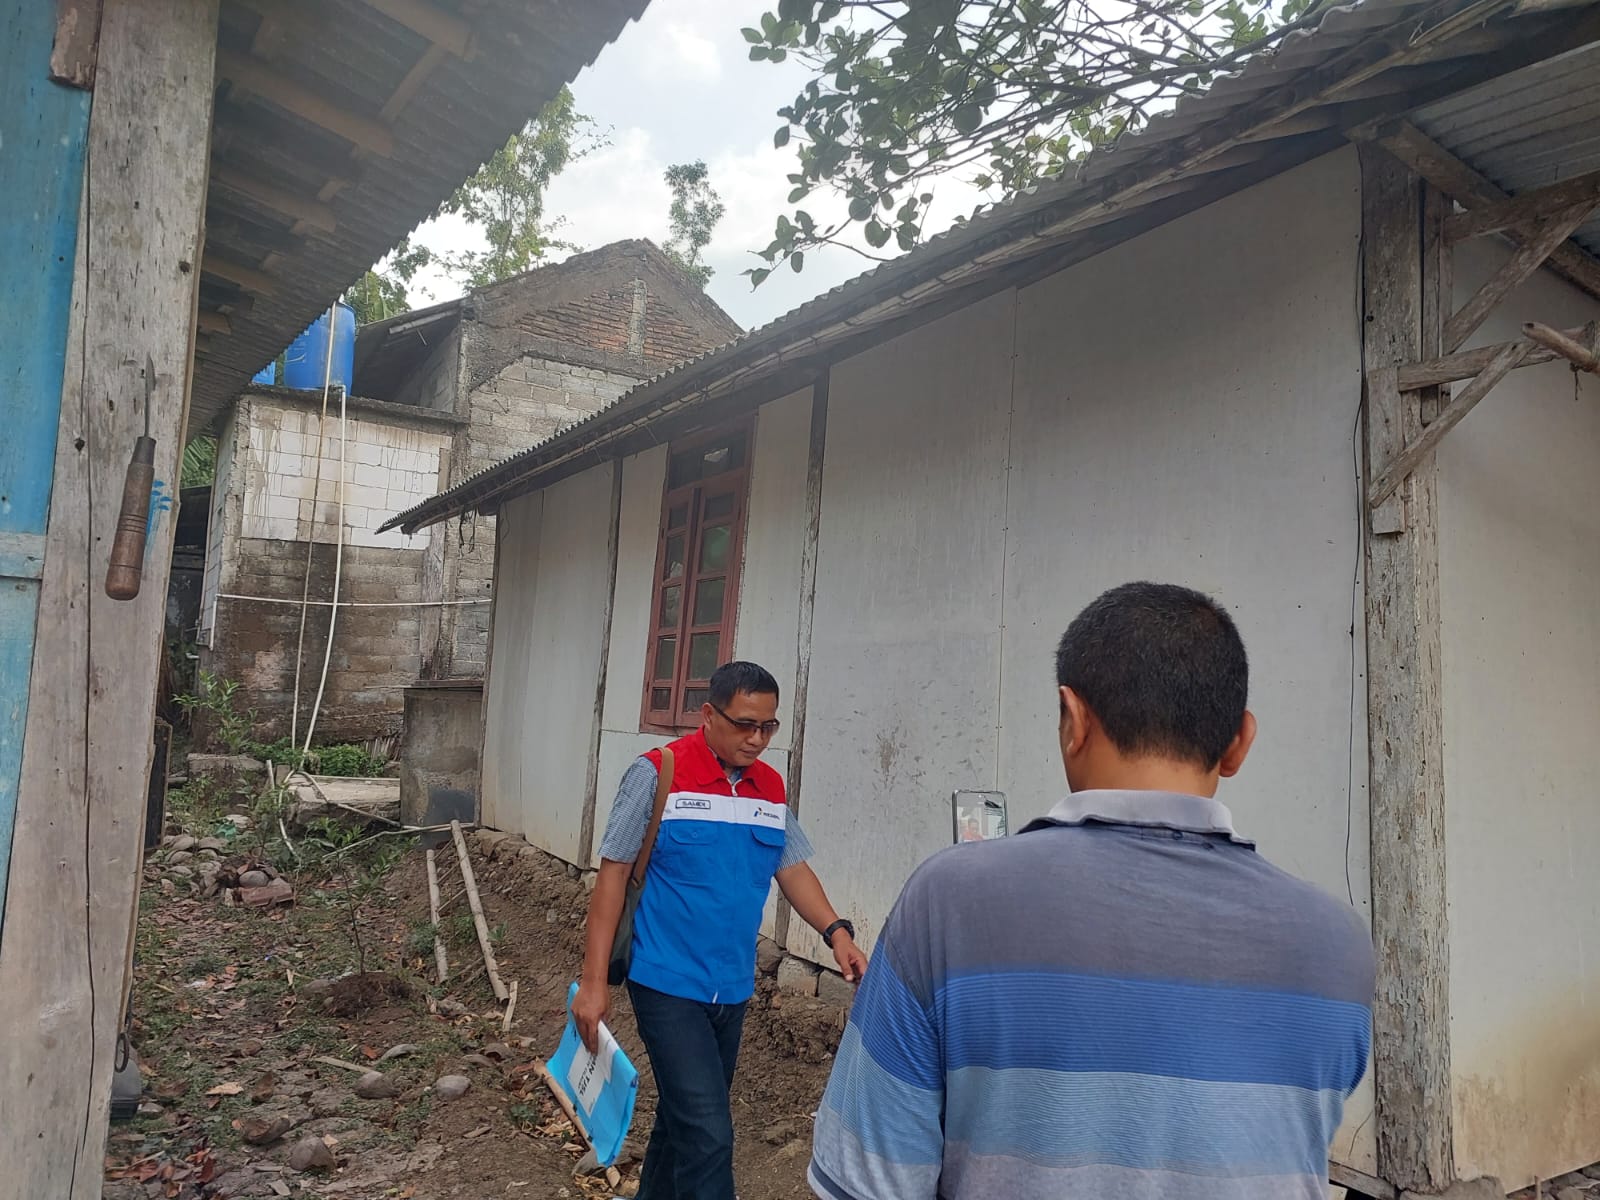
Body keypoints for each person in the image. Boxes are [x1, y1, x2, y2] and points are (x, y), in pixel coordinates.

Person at [809, 581, 1375, 1200]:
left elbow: (869, 1181)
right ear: (1239, 742)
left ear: (1073, 720)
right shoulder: (1337, 944)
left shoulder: (948, 903)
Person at [577, 660, 867, 1200]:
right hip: (665, 980)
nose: (757, 739)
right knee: (709, 1136)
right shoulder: (658, 774)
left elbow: (792, 868)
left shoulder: (769, 788)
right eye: (744, 725)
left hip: (731, 987)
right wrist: (594, 984)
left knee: (684, 1121)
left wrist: (838, 933)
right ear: (709, 715)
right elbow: (613, 876)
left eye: (768, 727)